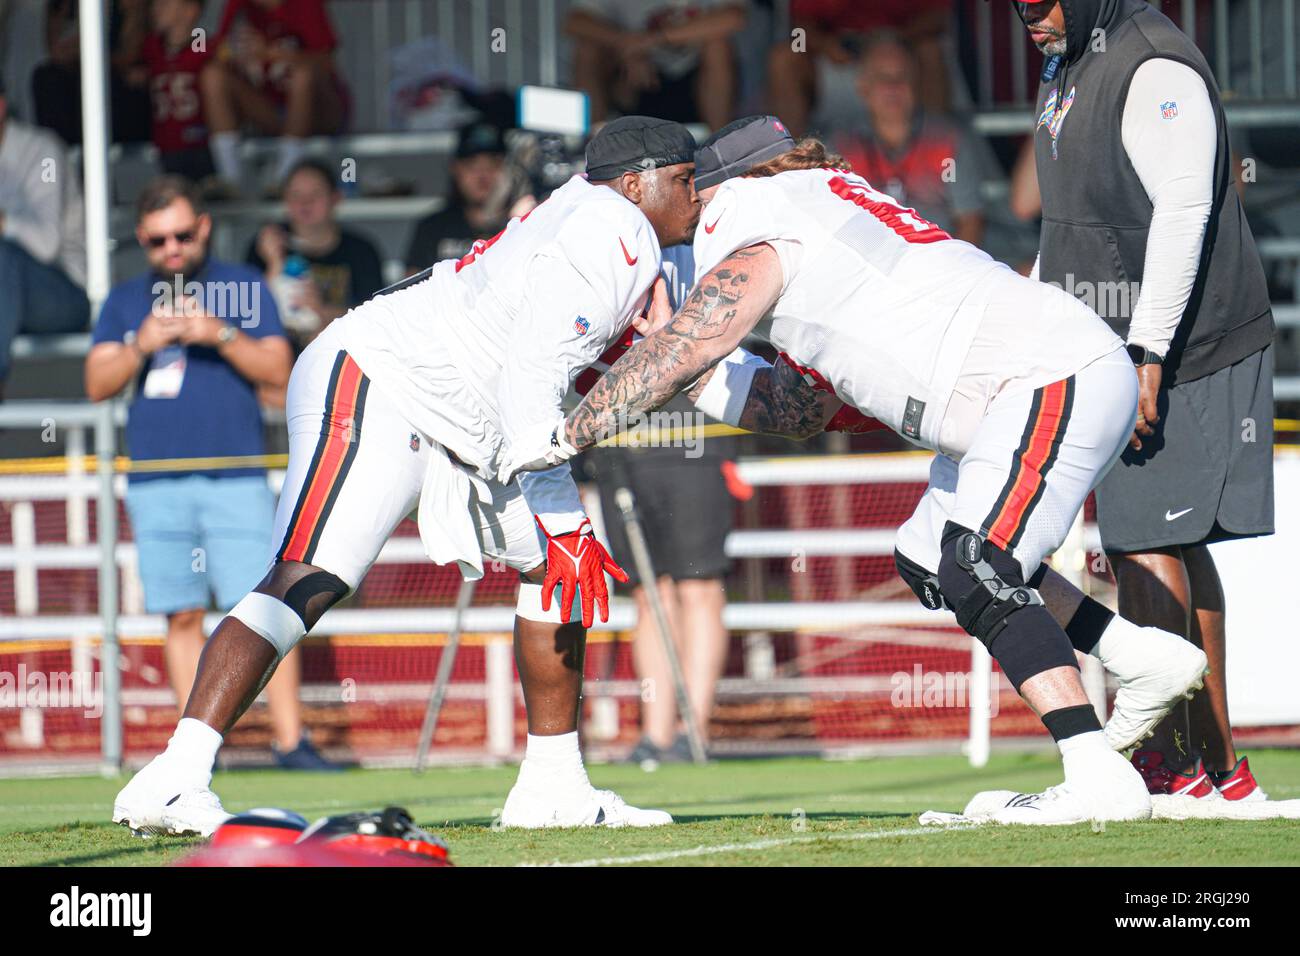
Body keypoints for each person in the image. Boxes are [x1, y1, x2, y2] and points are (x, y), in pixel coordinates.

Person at [505, 116, 1218, 827]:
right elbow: (798, 408)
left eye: (695, 186)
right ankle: (1135, 653)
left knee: (977, 562)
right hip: (1019, 391)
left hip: (1045, 377)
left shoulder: (755, 217)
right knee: (931, 559)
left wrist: (566, 434)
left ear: (723, 184)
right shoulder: (827, 213)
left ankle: (1094, 769)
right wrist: (683, 368)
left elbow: (689, 346)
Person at [111, 117, 703, 837]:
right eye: (684, 179)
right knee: (310, 574)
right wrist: (569, 517)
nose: (695, 195)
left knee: (556, 567)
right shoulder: (619, 232)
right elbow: (530, 385)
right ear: (636, 183)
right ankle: (174, 775)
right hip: (382, 380)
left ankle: (554, 785)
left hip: (461, 412)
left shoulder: (592, 214)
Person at [1014, 0, 1275, 803]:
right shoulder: (1074, 58)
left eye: (1045, 0)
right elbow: (1069, 226)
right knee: (1166, 543)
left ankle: (1186, 764)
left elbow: (1186, 209)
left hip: (1178, 346)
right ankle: (1214, 771)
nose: (1031, 11)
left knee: (1148, 543)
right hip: (1113, 341)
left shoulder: (1153, 63)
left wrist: (1147, 352)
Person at [85, 176, 336, 772]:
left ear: (202, 227)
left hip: (236, 473)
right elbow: (96, 384)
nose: (169, 249)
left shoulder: (242, 286)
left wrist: (219, 334)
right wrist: (141, 343)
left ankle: (289, 741)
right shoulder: (124, 299)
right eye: (155, 241)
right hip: (156, 479)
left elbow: (280, 370)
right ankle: (195, 751)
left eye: (179, 234)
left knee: (264, 606)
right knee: (179, 612)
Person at [585, 244, 735, 765]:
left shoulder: (709, 241)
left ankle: (695, 730)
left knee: (699, 587)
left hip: (698, 436)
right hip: (626, 443)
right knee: (649, 595)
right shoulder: (610, 246)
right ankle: (657, 734)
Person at [835, 34, 989, 249]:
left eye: (902, 77)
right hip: (866, 267)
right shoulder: (840, 145)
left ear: (916, 84)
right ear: (863, 87)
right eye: (882, 78)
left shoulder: (947, 139)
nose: (893, 88)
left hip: (938, 261)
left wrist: (953, 274)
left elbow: (970, 220)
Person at [201, 0, 347, 194]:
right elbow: (217, 52)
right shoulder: (238, 5)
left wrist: (270, 53)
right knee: (212, 74)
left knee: (302, 75)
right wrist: (232, 54)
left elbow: (326, 63)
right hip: (271, 114)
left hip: (320, 113)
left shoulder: (305, 5)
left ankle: (284, 178)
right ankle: (229, 179)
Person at [0, 76, 89, 393]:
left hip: (65, 291)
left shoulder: (42, 151)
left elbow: (48, 246)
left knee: (3, 254)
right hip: (10, 301)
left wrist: (3, 222)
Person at [246, 158, 383, 352]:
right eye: (295, 195)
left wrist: (322, 310)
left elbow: (376, 318)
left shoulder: (361, 250)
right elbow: (248, 315)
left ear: (335, 198)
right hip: (279, 359)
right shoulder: (264, 246)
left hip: (342, 358)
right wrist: (274, 265)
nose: (305, 202)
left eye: (315, 194)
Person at [766, 0, 952, 139]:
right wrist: (825, 44)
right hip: (837, 59)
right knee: (785, 56)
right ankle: (789, 157)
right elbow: (799, 27)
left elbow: (940, 16)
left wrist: (899, 39)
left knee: (930, 50)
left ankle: (937, 145)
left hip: (898, 54)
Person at [567, 0, 746, 130]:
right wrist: (626, 45)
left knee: (718, 47)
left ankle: (722, 145)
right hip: (636, 81)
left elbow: (734, 17)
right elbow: (574, 22)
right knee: (588, 50)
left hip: (697, 85)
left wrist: (652, 40)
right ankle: (592, 145)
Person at [404, 122, 529, 274]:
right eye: (472, 165)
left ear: (509, 171)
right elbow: (409, 289)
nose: (483, 175)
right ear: (455, 169)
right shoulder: (432, 228)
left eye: (493, 164)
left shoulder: (521, 224)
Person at [30, 0, 152, 146]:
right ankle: (59, 151)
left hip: (115, 73)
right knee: (46, 77)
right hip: (79, 71)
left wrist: (88, 52)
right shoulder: (67, 5)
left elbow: (130, 53)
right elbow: (56, 50)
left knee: (121, 82)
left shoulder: (129, 6)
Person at [142, 0, 214, 181]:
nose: (155, 9)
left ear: (190, 10)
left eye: (164, 4)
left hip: (200, 145)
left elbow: (202, 53)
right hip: (164, 144)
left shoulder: (201, 42)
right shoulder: (152, 46)